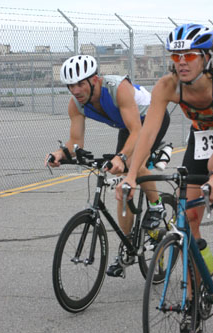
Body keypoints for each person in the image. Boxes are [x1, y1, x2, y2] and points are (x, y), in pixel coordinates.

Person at [116, 23, 213, 273]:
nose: (181, 62)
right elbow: (148, 132)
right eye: (176, 56)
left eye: (190, 55)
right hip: (202, 135)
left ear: (205, 57)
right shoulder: (167, 85)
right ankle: (203, 284)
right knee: (189, 218)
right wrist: (131, 176)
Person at [45, 54, 170, 277]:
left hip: (150, 120)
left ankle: (156, 205)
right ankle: (128, 245)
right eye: (70, 86)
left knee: (132, 163)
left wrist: (121, 157)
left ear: (95, 80)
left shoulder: (117, 88)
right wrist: (61, 154)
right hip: (128, 125)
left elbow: (138, 131)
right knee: (123, 189)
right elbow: (75, 142)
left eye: (80, 84)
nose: (75, 90)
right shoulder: (75, 105)